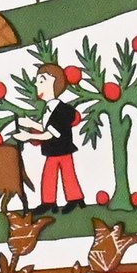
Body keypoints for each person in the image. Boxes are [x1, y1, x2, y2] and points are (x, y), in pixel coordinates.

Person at [35, 64, 84, 210]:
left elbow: (51, 133)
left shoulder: (62, 110)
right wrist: (29, 123)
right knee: (49, 175)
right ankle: (49, 202)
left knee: (67, 175)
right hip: (53, 150)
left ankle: (75, 200)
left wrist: (28, 135)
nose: (36, 85)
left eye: (41, 80)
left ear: (54, 81)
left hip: (62, 149)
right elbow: (46, 127)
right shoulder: (48, 109)